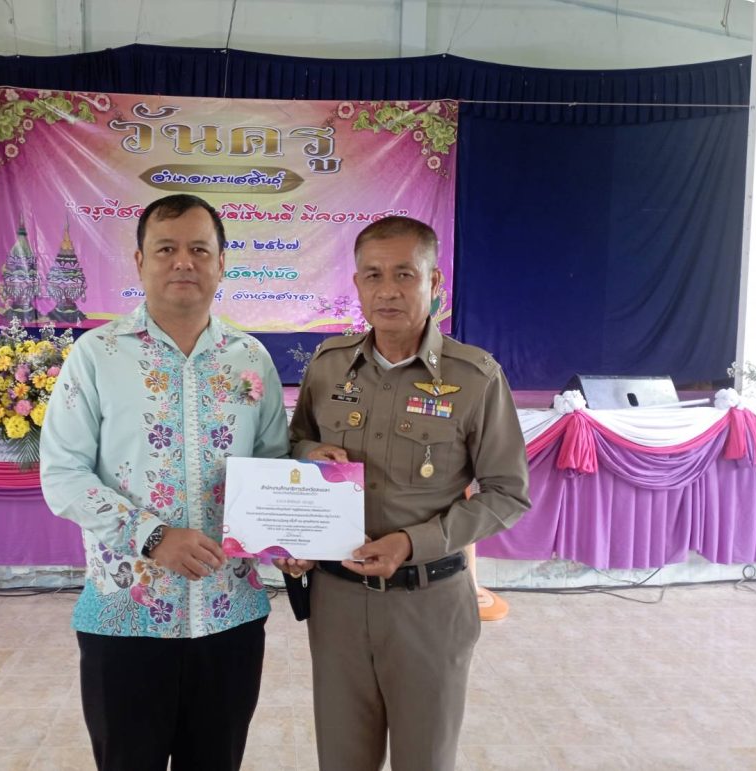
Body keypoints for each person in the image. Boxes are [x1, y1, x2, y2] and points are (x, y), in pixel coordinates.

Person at [40, 194, 289, 771]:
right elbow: (63, 473)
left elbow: (274, 464)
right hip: (126, 618)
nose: (183, 262)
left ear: (222, 263)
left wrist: (292, 536)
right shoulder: (96, 355)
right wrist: (153, 536)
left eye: (199, 249)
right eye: (166, 249)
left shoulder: (250, 358)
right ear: (139, 261)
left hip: (229, 617)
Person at [283, 215, 530, 771]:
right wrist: (307, 458)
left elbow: (507, 493)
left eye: (404, 274)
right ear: (357, 284)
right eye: (373, 275)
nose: (388, 290)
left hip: (429, 603)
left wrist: (412, 543)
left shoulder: (475, 378)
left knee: (425, 759)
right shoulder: (328, 366)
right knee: (342, 760)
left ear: (434, 281)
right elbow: (296, 445)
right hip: (337, 602)